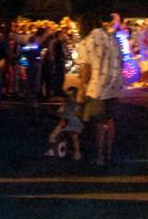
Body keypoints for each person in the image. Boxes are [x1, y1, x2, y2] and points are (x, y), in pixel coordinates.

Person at [75, 11, 124, 166]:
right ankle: (109, 153)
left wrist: (81, 91)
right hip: (115, 86)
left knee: (98, 122)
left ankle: (99, 157)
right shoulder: (112, 38)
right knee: (110, 121)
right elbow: (120, 61)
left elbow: (86, 71)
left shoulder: (86, 42)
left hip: (97, 87)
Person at [46, 87, 83, 160]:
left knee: (54, 136)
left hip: (66, 122)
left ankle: (54, 150)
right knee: (73, 137)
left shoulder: (66, 103)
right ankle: (76, 153)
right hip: (73, 123)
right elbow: (78, 113)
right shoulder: (75, 104)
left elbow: (60, 112)